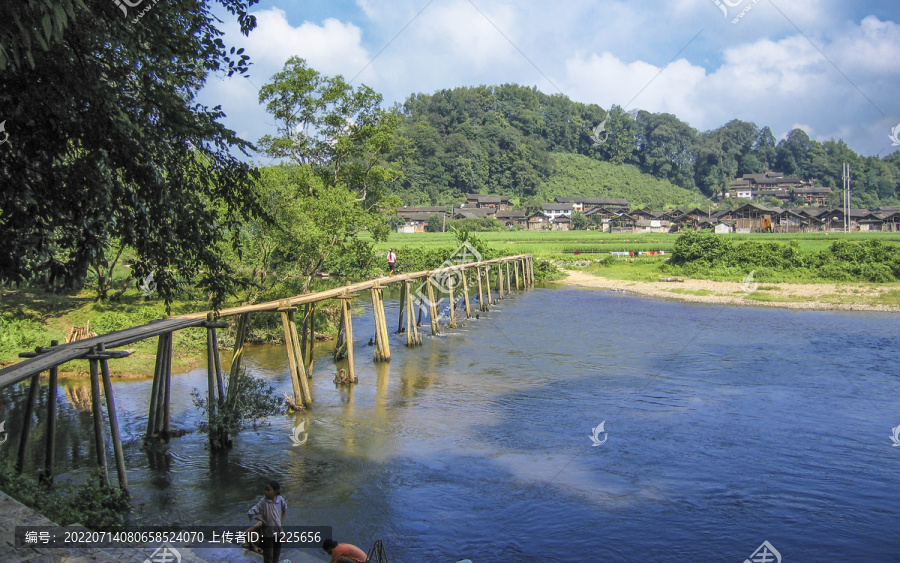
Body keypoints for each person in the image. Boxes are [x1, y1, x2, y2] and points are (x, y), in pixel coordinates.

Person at [248, 480, 287, 563]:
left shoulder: (280, 500)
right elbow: (251, 512)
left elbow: (285, 509)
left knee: (276, 556)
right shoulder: (263, 502)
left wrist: (281, 521)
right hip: (268, 534)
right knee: (268, 557)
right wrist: (261, 520)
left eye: (268, 490)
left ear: (275, 491)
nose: (266, 492)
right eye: (265, 490)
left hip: (277, 533)